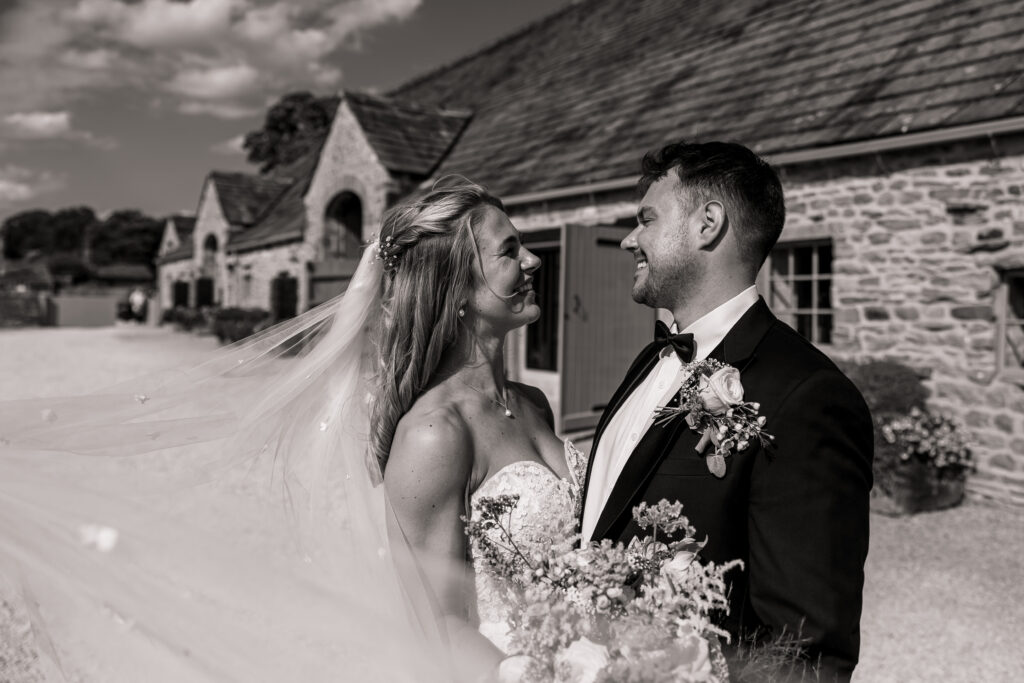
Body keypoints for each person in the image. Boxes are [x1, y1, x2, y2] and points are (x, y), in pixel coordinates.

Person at [0, 179, 581, 683]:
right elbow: (438, 622)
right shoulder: (436, 434)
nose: (532, 261)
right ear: (455, 289)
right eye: (511, 250)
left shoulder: (532, 403)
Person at [579, 141, 873, 681]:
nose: (628, 239)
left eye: (646, 218)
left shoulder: (807, 395)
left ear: (708, 223)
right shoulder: (650, 360)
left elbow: (805, 654)